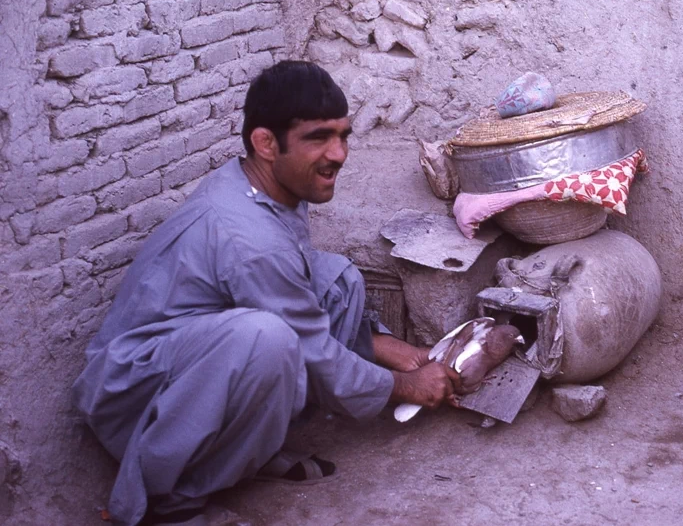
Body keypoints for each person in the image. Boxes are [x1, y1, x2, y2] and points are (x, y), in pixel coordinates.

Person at [72, 60, 460, 526]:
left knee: (335, 277)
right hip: (137, 396)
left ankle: (245, 457)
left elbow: (296, 301)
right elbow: (307, 346)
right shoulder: (249, 238)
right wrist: (405, 385)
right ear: (265, 143)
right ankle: (168, 502)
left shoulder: (261, 185)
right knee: (266, 338)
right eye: (318, 138)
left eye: (343, 135)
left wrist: (392, 349)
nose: (339, 154)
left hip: (191, 361)